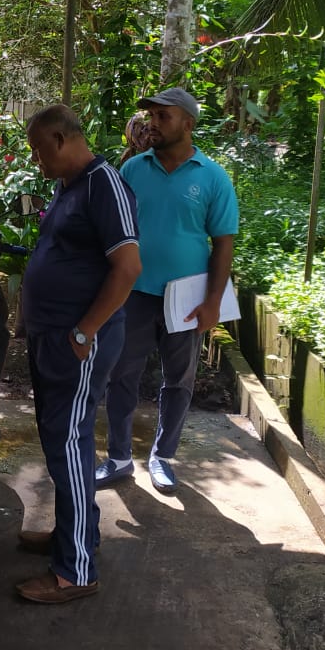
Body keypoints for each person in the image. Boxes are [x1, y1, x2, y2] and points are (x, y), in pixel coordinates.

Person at [15, 104, 140, 604]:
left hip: (80, 342)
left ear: (62, 139)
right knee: (59, 439)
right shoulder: (70, 186)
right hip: (56, 337)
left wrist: (86, 331)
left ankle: (77, 570)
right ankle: (71, 536)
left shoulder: (105, 183)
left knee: (69, 440)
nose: (37, 161)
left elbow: (127, 268)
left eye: (39, 151)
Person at [96, 87, 239, 495]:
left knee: (179, 380)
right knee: (121, 375)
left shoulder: (212, 177)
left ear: (188, 124)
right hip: (133, 293)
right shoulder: (133, 170)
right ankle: (119, 458)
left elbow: (224, 242)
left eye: (164, 117)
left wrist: (212, 302)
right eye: (151, 117)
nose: (152, 124)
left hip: (187, 299)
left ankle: (162, 457)